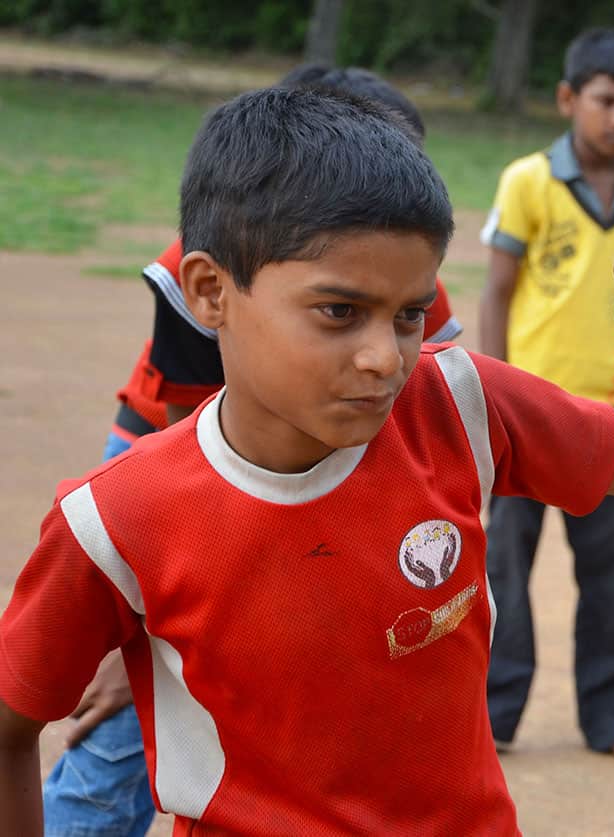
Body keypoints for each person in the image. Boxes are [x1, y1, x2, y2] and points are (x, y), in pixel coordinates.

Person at [0, 87, 614, 833]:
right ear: (209, 291)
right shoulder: (114, 517)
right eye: (339, 311)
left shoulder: (459, 402)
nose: (383, 357)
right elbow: (10, 725)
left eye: (409, 315)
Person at [40, 65, 463, 837]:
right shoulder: (205, 265)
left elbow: (428, 422)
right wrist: (138, 631)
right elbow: (195, 463)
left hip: (319, 452)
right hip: (177, 444)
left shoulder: (396, 277)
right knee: (128, 722)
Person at [478, 27, 614, 771]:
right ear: (569, 99)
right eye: (606, 101)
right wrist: (489, 399)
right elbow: (498, 293)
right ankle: (492, 718)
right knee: (503, 571)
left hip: (612, 420)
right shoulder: (527, 181)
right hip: (525, 416)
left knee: (609, 576)